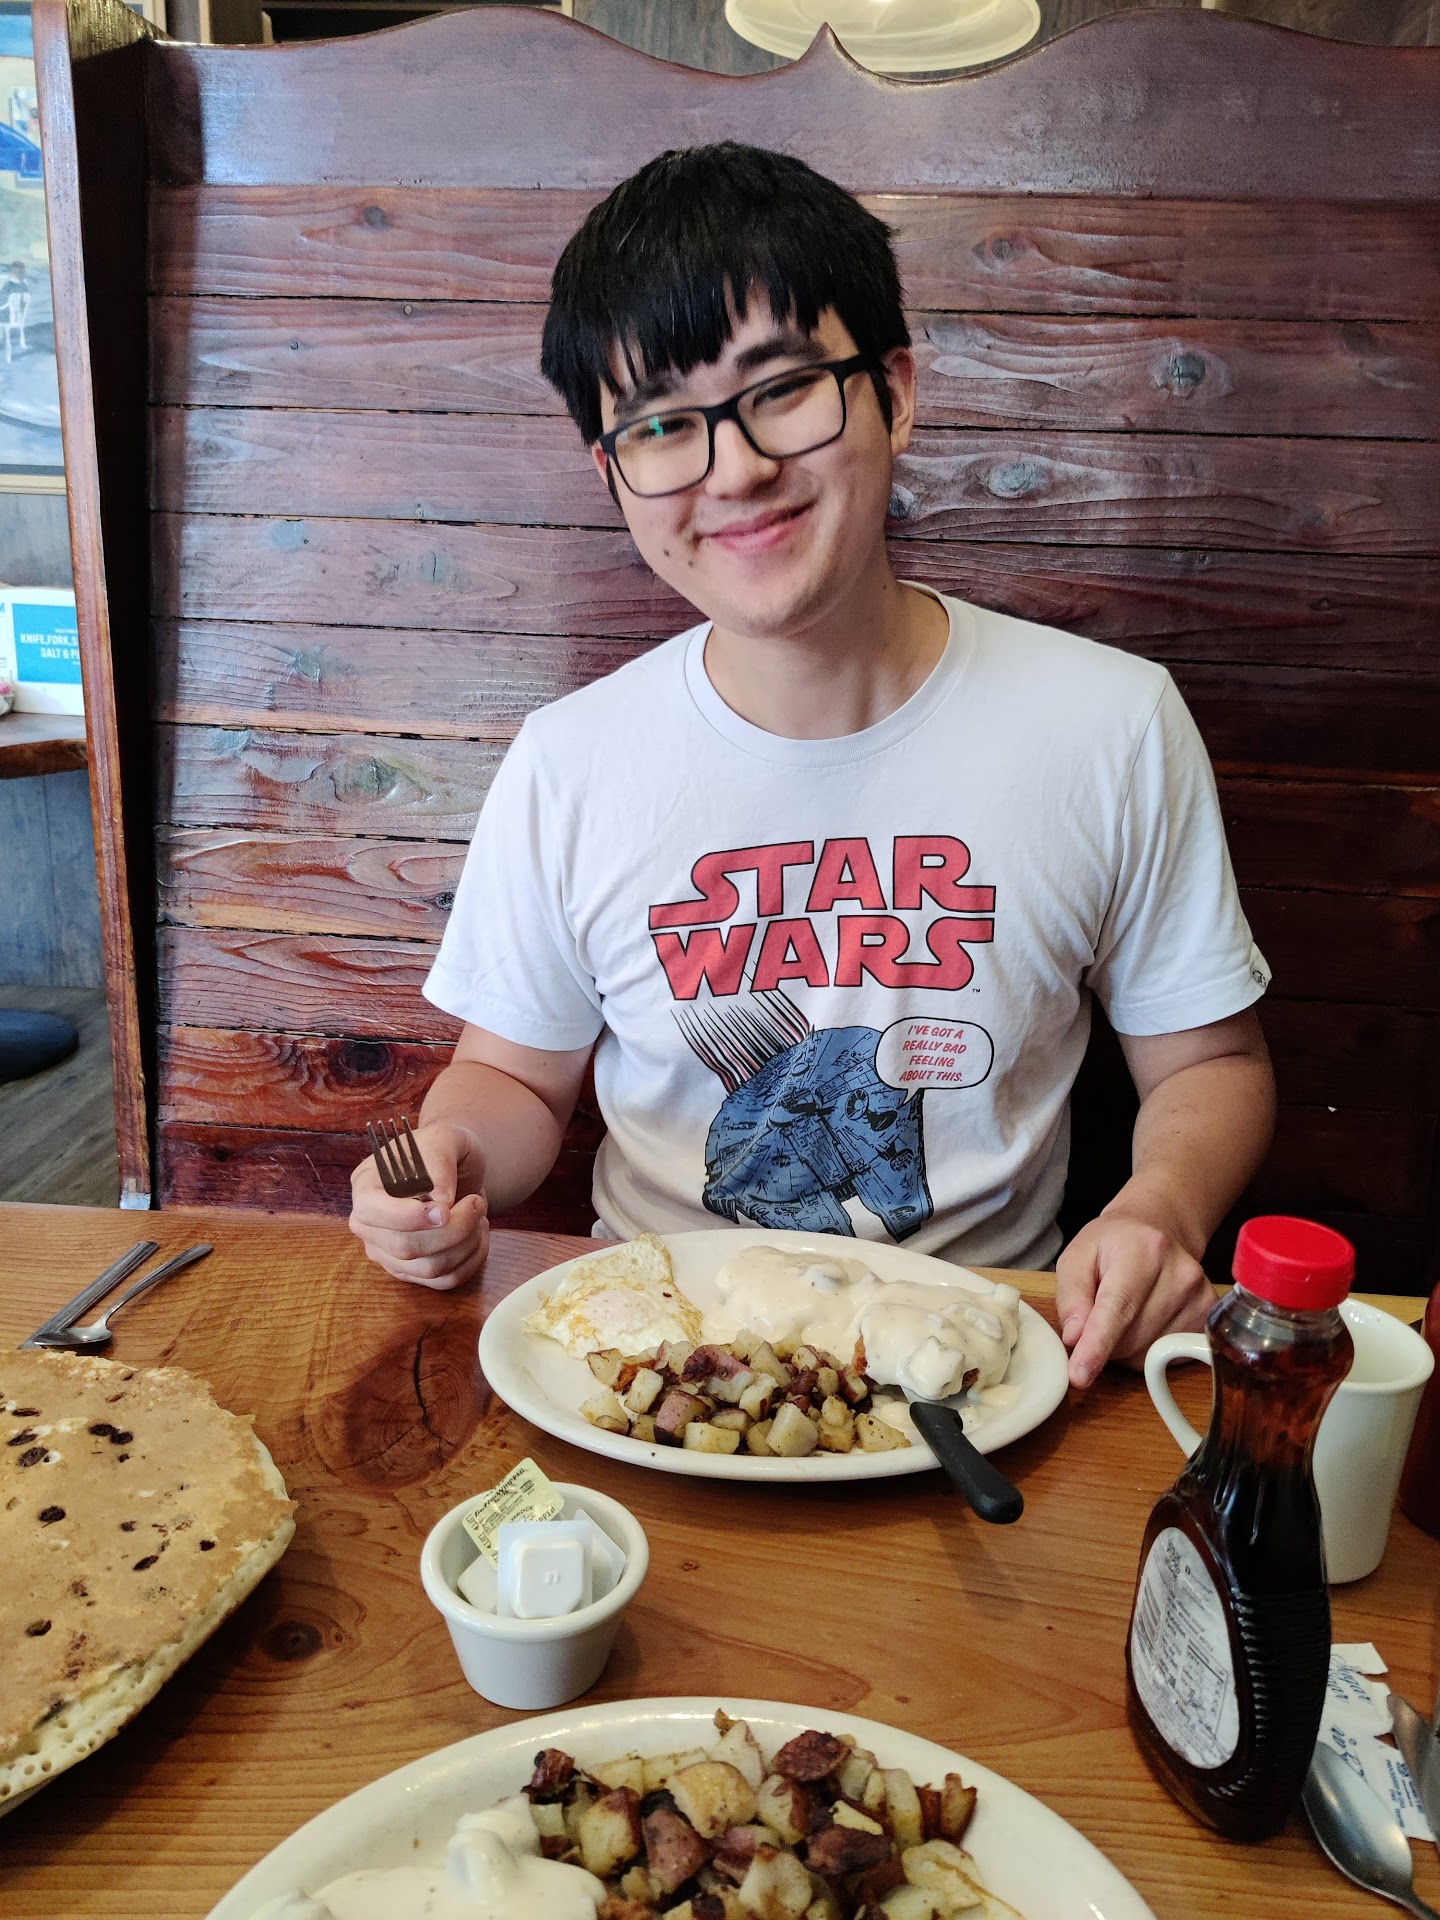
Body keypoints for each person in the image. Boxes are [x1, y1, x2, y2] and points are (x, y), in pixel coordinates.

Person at [348, 143, 1276, 1390]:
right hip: (651, 1363)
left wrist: (1159, 1208)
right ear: (614, 475)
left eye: (782, 390)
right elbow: (512, 1074)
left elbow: (1211, 1063)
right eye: (662, 425)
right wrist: (451, 1159)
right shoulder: (573, 760)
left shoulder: (1109, 724)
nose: (734, 470)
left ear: (893, 392)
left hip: (983, 1361)